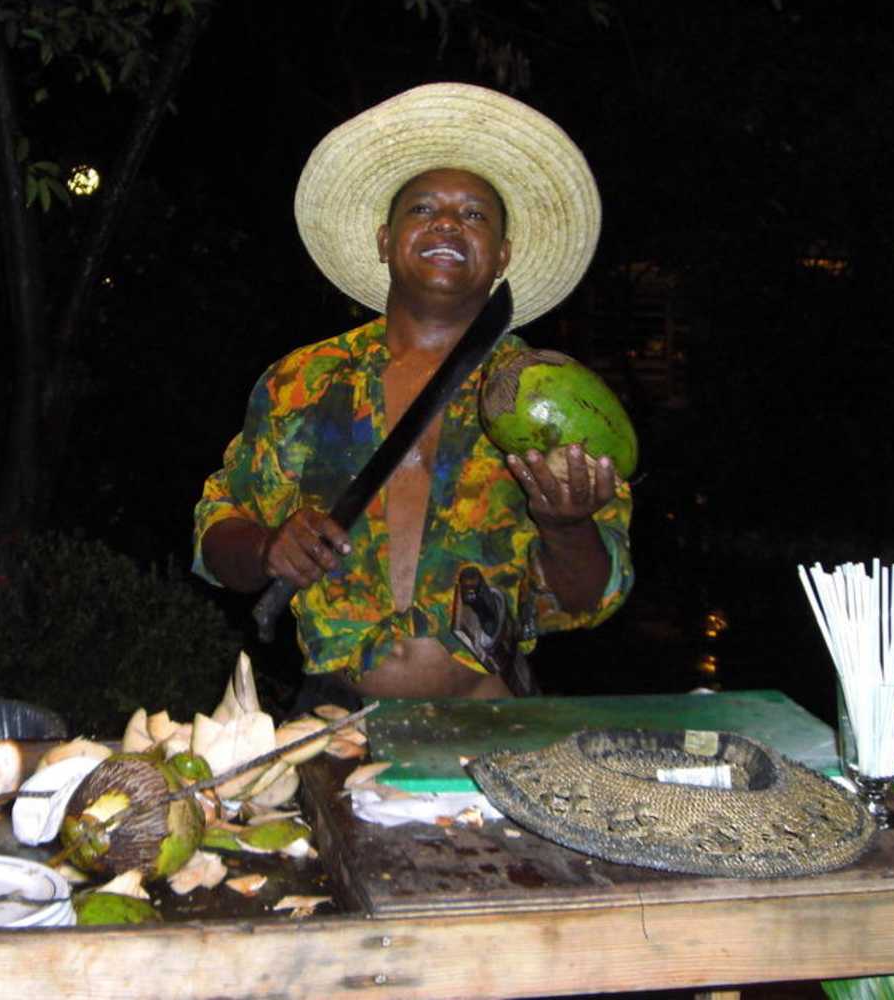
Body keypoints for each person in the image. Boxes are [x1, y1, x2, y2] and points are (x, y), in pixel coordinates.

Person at [192, 82, 634, 706]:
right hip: (335, 721)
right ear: (384, 240)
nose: (447, 222)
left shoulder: (547, 399)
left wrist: (566, 525)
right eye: (422, 208)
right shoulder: (303, 381)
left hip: (491, 723)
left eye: (474, 215)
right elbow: (216, 534)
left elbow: (592, 598)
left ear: (502, 255)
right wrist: (267, 548)